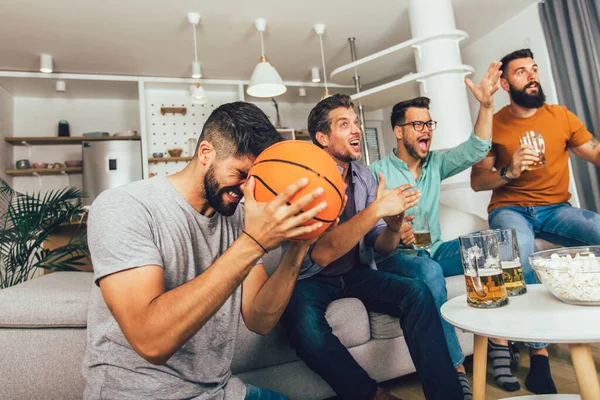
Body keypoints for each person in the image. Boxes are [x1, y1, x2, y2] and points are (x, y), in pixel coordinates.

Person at [83, 102, 330, 400]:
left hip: (219, 390)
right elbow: (151, 342)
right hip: (138, 393)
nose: (246, 189)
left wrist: (298, 248)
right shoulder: (124, 206)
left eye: (254, 178)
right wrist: (253, 242)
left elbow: (259, 320)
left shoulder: (239, 218)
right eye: (240, 172)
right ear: (205, 153)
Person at [280, 94, 464, 400]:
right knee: (304, 326)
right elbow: (323, 252)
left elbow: (381, 245)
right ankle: (371, 394)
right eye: (344, 124)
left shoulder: (364, 177)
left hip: (355, 272)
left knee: (416, 293)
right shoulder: (305, 182)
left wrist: (392, 226)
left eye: (355, 123)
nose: (355, 130)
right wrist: (377, 210)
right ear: (322, 137)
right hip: (310, 277)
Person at [368, 61, 503, 400]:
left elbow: (477, 147)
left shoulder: (436, 164)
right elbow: (368, 229)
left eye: (429, 123)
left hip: (434, 249)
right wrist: (395, 230)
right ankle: (455, 368)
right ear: (399, 131)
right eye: (418, 124)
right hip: (395, 258)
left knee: (491, 245)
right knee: (427, 270)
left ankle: (503, 343)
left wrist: (486, 105)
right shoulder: (376, 173)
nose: (426, 129)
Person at [471, 48, 600, 395]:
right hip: (510, 207)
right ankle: (539, 355)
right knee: (521, 249)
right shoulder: (494, 122)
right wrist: (509, 171)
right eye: (521, 71)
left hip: (556, 208)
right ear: (504, 82)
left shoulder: (561, 116)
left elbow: (594, 151)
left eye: (534, 69)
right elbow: (478, 181)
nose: (531, 76)